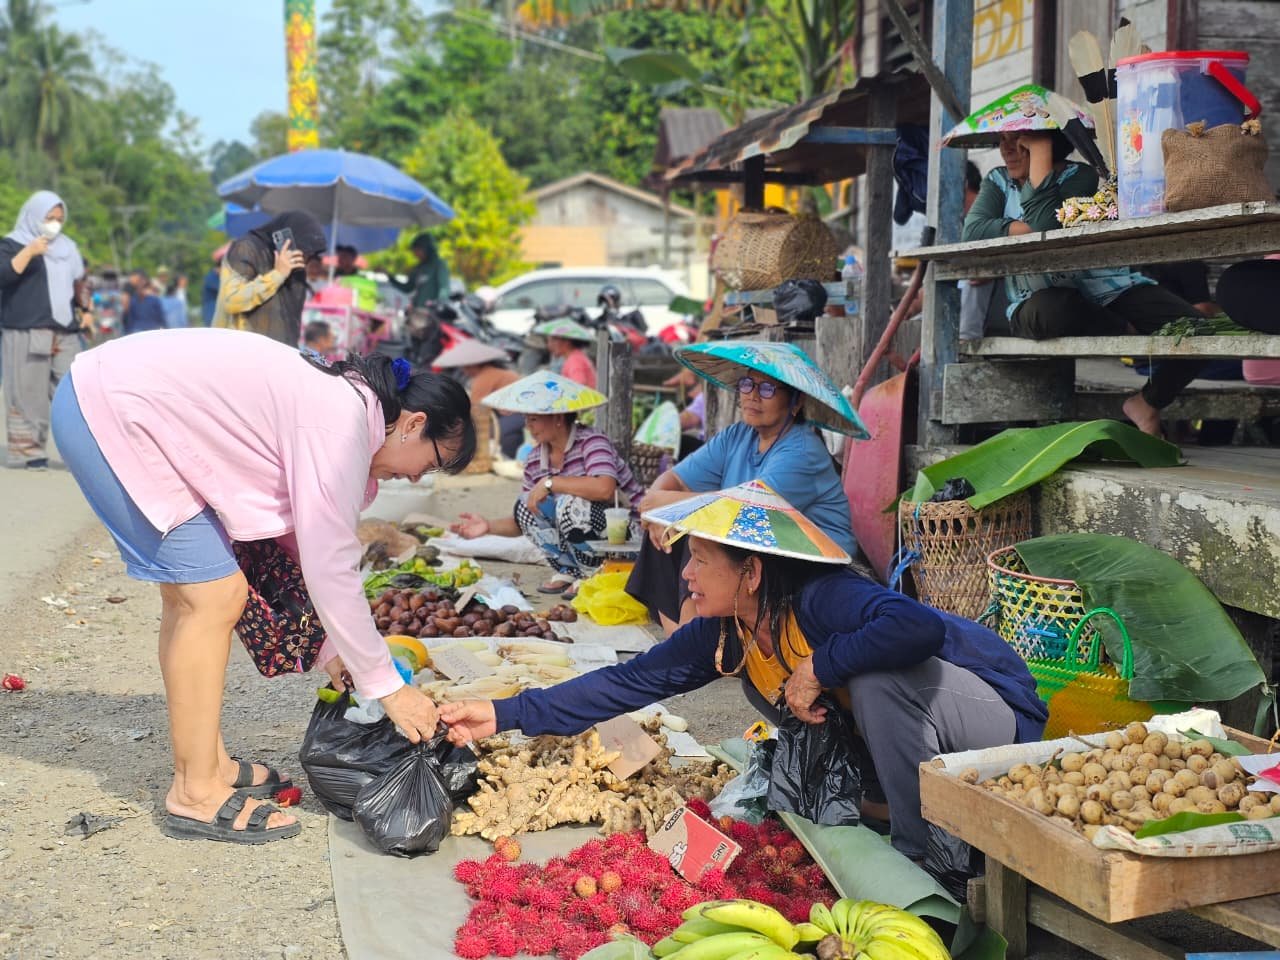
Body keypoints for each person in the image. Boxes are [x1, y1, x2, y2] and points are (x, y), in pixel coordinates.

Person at [441, 481, 1047, 871]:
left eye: (701, 561)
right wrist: (503, 714)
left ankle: (927, 858)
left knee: (874, 680)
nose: (687, 577)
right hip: (921, 750)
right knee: (796, 775)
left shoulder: (824, 598)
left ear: (752, 572)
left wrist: (819, 666)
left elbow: (917, 629)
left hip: (994, 728)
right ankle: (888, 812)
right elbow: (623, 685)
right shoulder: (725, 632)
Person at [49, 329, 475, 843]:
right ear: (413, 424)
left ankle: (207, 763)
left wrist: (333, 647)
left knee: (196, 597)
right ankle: (195, 791)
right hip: (111, 412)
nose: (416, 479)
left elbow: (293, 540)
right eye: (430, 463)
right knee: (211, 596)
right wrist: (386, 686)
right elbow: (328, 563)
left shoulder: (345, 406)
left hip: (114, 399)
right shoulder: (339, 424)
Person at [962, 130, 1205, 435]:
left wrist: (1039, 158)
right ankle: (1120, 327)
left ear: (1048, 142)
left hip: (1105, 288)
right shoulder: (998, 180)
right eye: (1003, 141)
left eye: (1020, 142)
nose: (1007, 150)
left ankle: (1147, 402)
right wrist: (1026, 228)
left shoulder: (1080, 176)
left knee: (1197, 330)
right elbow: (974, 232)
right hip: (1035, 299)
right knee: (1054, 309)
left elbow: (1046, 226)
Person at [626, 341, 858, 636]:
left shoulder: (802, 451)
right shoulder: (737, 436)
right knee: (668, 529)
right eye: (747, 384)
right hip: (757, 549)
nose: (752, 396)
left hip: (812, 568)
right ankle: (683, 636)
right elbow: (674, 480)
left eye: (767, 389)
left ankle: (691, 638)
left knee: (702, 530)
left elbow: (740, 510)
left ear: (796, 403)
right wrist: (658, 510)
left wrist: (660, 503)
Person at [450, 371, 643, 596]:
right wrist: (488, 527)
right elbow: (525, 519)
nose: (528, 426)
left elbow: (604, 488)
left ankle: (594, 573)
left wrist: (552, 483)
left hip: (627, 535)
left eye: (533, 419)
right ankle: (570, 570)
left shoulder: (592, 441)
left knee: (570, 505)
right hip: (590, 537)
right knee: (525, 504)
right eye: (526, 419)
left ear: (558, 418)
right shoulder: (534, 459)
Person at [0, 190, 87, 468]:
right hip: (26, 330)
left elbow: (80, 281)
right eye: (49, 218)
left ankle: (85, 453)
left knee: (75, 391)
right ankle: (28, 452)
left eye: (59, 219)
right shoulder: (13, 244)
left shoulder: (68, 247)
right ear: (33, 215)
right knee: (28, 392)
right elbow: (4, 276)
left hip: (65, 331)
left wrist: (87, 312)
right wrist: (30, 251)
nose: (54, 224)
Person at [213, 211, 327, 346]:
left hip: (275, 354)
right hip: (238, 349)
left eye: (310, 253)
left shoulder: (294, 267)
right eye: (304, 250)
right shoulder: (247, 248)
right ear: (288, 239)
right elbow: (231, 301)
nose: (305, 257)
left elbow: (290, 323)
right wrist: (277, 275)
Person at [432, 339, 523, 460]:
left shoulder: (484, 377)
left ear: (473, 365)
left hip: (517, 413)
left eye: (465, 367)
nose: (464, 371)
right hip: (516, 413)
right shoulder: (495, 372)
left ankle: (502, 459)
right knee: (506, 436)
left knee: (487, 434)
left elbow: (475, 411)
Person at [390, 233, 450, 310]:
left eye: (418, 250)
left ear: (427, 249)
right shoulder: (418, 268)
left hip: (431, 313)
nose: (416, 254)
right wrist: (390, 277)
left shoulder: (438, 265)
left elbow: (444, 288)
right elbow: (408, 288)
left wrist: (440, 304)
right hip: (418, 312)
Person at [533, 317, 597, 389]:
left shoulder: (575, 360)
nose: (549, 345)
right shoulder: (574, 357)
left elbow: (579, 386)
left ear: (566, 342)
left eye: (552, 341)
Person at [121, 271, 167, 335]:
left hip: (147, 331)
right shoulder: (133, 300)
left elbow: (161, 318)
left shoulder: (153, 300)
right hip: (142, 332)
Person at [201, 253, 221, 327]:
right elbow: (221, 289)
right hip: (210, 310)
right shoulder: (210, 277)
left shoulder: (216, 277)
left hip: (215, 310)